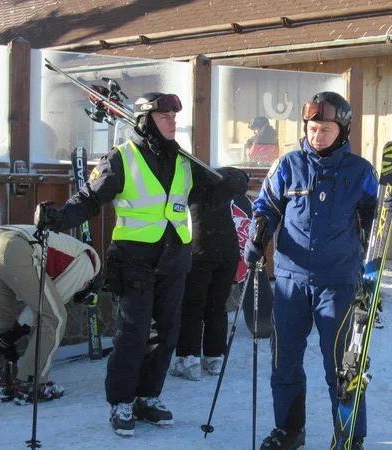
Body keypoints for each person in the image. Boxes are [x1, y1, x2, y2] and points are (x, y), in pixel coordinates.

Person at [35, 92, 249, 437]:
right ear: (146, 120)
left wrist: (233, 182)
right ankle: (121, 401)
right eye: (164, 117)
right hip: (134, 261)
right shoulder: (121, 159)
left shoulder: (183, 161)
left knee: (165, 335)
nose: (172, 122)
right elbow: (90, 198)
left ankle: (148, 397)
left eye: (174, 118)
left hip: (175, 260)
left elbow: (209, 194)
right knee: (132, 335)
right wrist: (58, 218)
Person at [244, 92, 392, 450]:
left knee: (344, 368)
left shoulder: (360, 171)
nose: (317, 136)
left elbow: (378, 216)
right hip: (290, 282)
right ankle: (289, 431)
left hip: (338, 284)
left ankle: (350, 435)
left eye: (326, 129)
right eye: (313, 128)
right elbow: (266, 206)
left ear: (342, 130)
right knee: (284, 363)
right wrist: (259, 232)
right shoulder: (287, 165)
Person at [0, 224, 101, 403]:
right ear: (91, 283)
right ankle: (30, 383)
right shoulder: (89, 264)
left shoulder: (71, 249)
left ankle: (6, 382)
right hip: (15, 247)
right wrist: (15, 333)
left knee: (2, 312)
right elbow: (44, 310)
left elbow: (0, 308)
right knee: (56, 317)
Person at [169, 167, 249, 381]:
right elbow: (240, 180)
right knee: (216, 306)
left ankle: (189, 359)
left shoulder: (190, 185)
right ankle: (215, 357)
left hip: (200, 252)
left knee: (192, 306)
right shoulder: (223, 184)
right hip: (228, 252)